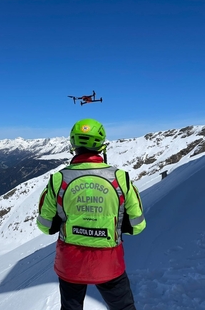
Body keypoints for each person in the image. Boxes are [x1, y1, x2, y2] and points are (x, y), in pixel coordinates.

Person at [36, 118, 146, 310]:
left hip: (70, 263)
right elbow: (137, 225)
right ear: (102, 146)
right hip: (109, 262)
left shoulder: (58, 179)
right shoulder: (121, 178)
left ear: (73, 145)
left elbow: (45, 226)